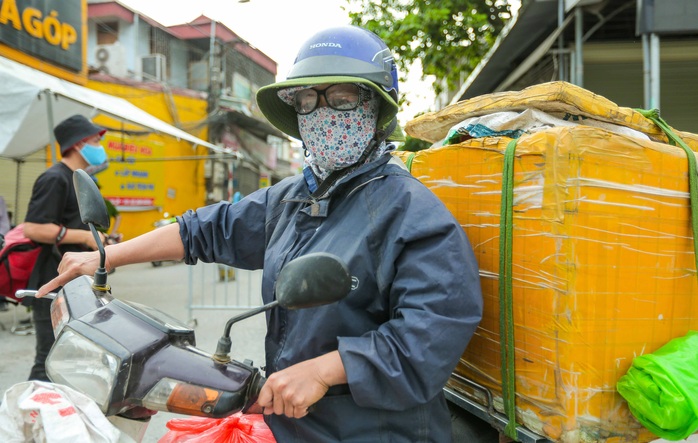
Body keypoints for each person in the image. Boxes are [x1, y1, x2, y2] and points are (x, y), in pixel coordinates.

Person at [38, 26, 483, 441]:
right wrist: (106, 257)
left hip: (373, 428)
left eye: (343, 97)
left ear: (376, 107)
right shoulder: (293, 196)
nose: (322, 113)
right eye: (307, 100)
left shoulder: (413, 214)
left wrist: (328, 369)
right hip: (290, 420)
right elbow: (205, 230)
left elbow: (433, 330)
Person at [23, 114, 107, 381]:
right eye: (96, 140)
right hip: (52, 285)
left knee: (71, 361)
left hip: (77, 285)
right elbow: (33, 228)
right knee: (49, 360)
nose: (100, 146)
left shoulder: (80, 179)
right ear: (79, 143)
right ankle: (29, 419)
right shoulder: (54, 178)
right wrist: (83, 238)